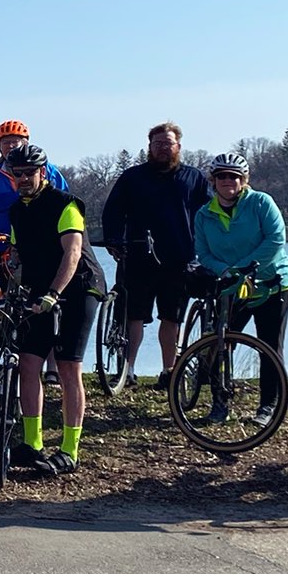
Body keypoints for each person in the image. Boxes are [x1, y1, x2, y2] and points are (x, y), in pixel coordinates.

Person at [5, 142, 107, 476]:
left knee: (67, 368)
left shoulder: (66, 205)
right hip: (40, 289)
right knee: (28, 362)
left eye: (29, 173)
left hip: (78, 288)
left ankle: (69, 450)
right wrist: (8, 268)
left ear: (43, 172)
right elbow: (21, 254)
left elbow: (72, 254)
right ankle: (32, 442)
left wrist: (52, 293)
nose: (22, 179)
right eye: (16, 174)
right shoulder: (17, 210)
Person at [99, 122, 211, 388]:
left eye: (168, 144)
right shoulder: (132, 177)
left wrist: (208, 250)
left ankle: (169, 371)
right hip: (138, 257)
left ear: (178, 147)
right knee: (133, 317)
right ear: (149, 147)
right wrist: (114, 240)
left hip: (180, 258)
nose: (162, 148)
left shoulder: (193, 178)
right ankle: (128, 370)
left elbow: (209, 216)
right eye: (157, 144)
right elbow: (112, 211)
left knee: (171, 319)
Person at [191, 152, 288, 425]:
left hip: (272, 284)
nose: (228, 181)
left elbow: (275, 240)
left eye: (234, 176)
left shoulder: (261, 203)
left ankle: (268, 407)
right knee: (220, 342)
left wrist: (244, 267)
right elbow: (203, 252)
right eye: (222, 176)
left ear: (243, 180)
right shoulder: (204, 214)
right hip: (231, 285)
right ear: (213, 181)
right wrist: (227, 272)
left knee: (269, 346)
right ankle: (219, 403)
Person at [0, 120, 67, 252]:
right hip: (5, 252)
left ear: (25, 143)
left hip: (45, 247)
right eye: (5, 142)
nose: (10, 146)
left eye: (15, 142)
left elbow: (65, 205)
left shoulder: (47, 170)